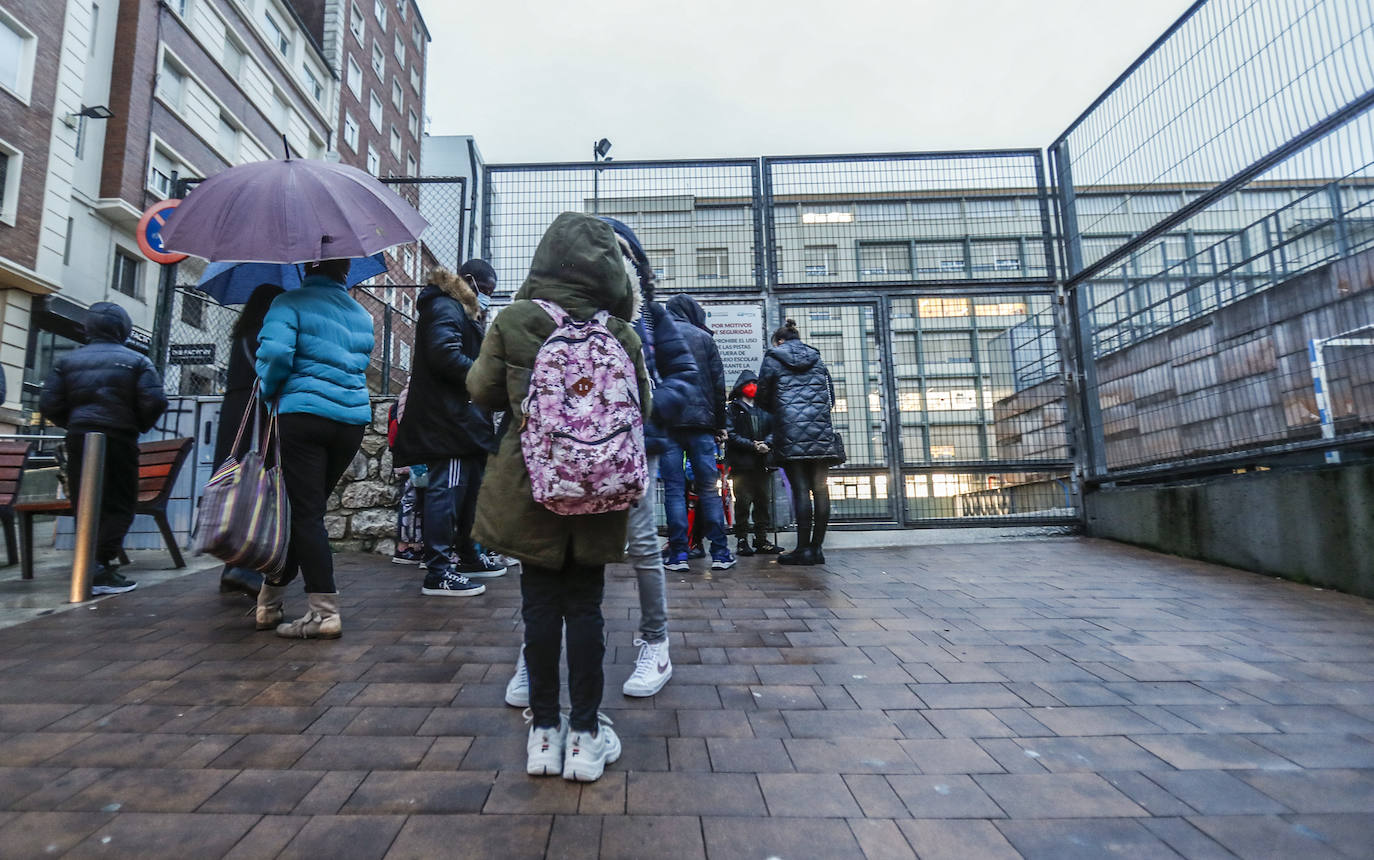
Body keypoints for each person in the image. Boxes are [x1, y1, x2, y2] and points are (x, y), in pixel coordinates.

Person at [469, 212, 651, 783]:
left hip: (532, 486)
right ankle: (588, 736)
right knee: (587, 608)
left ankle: (544, 734)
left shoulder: (518, 319)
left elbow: (479, 391)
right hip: (600, 488)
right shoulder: (619, 333)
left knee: (540, 605)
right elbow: (642, 407)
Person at [253, 259, 375, 638]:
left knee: (305, 515)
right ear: (346, 271)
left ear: (308, 267)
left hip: (303, 416)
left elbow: (275, 356)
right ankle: (268, 605)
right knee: (304, 513)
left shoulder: (289, 302)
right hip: (351, 422)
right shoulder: (363, 315)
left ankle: (324, 615)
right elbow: (360, 363)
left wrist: (268, 389)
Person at [39, 302, 168, 594]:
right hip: (120, 438)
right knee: (120, 502)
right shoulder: (137, 361)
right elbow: (155, 401)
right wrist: (135, 424)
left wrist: (74, 422)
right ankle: (98, 565)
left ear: (89, 328)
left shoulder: (67, 361)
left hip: (80, 437)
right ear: (124, 329)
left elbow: (48, 404)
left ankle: (90, 565)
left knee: (85, 500)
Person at [392, 262, 502, 596]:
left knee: (470, 492)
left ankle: (468, 556)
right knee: (446, 491)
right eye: (486, 290)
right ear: (469, 281)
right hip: (448, 422)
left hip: (465, 420)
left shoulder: (461, 310)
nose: (487, 298)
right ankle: (438, 571)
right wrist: (486, 378)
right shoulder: (444, 305)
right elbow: (443, 354)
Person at [213, 283, 285, 597]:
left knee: (237, 489)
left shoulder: (240, 333)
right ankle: (247, 567)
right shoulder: (266, 331)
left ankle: (231, 564)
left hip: (234, 415)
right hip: (258, 414)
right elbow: (272, 370)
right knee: (259, 489)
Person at [755, 319, 846, 565]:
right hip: (820, 430)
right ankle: (817, 549)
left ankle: (802, 549)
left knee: (800, 489)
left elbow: (761, 395)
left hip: (790, 431)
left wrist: (779, 409)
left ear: (780, 341)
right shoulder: (817, 357)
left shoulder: (773, 357)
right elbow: (831, 395)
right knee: (820, 488)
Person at [661, 294, 733, 571]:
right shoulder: (704, 339)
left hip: (668, 424)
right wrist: (721, 424)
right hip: (702, 425)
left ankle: (679, 554)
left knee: (674, 490)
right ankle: (720, 553)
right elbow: (718, 385)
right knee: (707, 489)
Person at [726, 369, 783, 556]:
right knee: (742, 502)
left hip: (763, 464)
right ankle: (742, 540)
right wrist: (753, 446)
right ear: (740, 388)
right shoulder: (733, 409)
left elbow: (775, 429)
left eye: (755, 383)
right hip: (742, 465)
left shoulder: (764, 408)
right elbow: (731, 435)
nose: (753, 387)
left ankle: (761, 540)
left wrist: (767, 443)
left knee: (763, 502)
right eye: (749, 384)